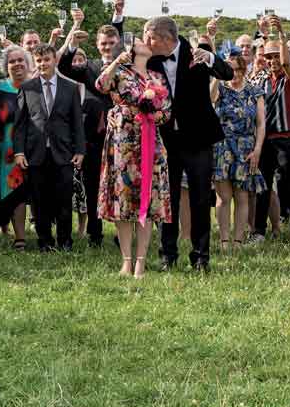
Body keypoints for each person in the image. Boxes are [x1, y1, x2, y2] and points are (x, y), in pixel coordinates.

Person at [143, 15, 234, 273]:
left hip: (198, 139)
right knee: (167, 199)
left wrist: (212, 58)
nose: (145, 41)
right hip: (167, 140)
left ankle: (201, 257)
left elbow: (227, 73)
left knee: (200, 199)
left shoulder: (197, 53)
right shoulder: (150, 58)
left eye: (148, 36)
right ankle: (167, 256)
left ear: (164, 38)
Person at [95, 35, 173, 277]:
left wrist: (152, 115)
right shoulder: (120, 72)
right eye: (140, 40)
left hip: (151, 143)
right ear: (130, 48)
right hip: (123, 144)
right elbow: (101, 85)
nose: (145, 42)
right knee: (124, 200)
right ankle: (126, 260)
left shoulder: (157, 77)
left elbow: (167, 111)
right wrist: (117, 61)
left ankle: (141, 261)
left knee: (147, 202)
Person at [13, 44, 86, 251]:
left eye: (46, 59)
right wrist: (19, 151)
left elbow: (76, 123)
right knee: (38, 200)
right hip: (35, 154)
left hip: (63, 153)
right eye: (39, 60)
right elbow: (20, 125)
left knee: (63, 199)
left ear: (54, 60)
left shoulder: (70, 87)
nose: (43, 64)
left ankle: (65, 241)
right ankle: (44, 241)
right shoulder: (27, 88)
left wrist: (80, 150)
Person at [60, 19, 124, 247]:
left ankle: (121, 233)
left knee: (121, 185)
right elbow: (63, 68)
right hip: (92, 136)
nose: (107, 47)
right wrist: (70, 46)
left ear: (119, 43)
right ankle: (94, 234)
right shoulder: (88, 67)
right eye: (103, 43)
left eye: (111, 42)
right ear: (97, 45)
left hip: (122, 136)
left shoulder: (127, 65)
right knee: (92, 185)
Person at [210, 50, 265, 250]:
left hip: (246, 148)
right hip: (222, 147)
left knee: (242, 197)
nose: (235, 74)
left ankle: (239, 241)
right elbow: (210, 98)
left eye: (238, 69)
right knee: (223, 198)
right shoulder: (220, 89)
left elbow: (260, 123)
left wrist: (258, 149)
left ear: (245, 69)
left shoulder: (255, 91)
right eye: (230, 70)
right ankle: (224, 240)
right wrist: (218, 74)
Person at [256, 30, 290, 241]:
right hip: (266, 139)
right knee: (263, 186)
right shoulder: (262, 80)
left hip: (287, 139)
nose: (273, 60)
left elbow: (288, 65)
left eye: (276, 55)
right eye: (269, 56)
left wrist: (281, 36)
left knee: (288, 185)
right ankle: (258, 231)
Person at [0, 46, 32, 249]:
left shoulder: (36, 87)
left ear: (28, 64)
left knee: (25, 192)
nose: (17, 64)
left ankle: (21, 236)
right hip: (4, 149)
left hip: (32, 146)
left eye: (20, 60)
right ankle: (12, 232)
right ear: (5, 66)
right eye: (12, 61)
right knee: (10, 189)